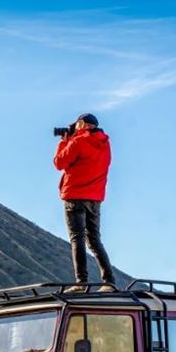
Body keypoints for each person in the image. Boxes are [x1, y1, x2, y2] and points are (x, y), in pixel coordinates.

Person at [53, 113, 116, 292]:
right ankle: (109, 281)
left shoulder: (77, 142)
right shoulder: (105, 145)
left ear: (82, 124)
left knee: (77, 238)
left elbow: (59, 163)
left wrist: (64, 142)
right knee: (95, 240)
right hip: (95, 198)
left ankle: (81, 282)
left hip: (74, 195)